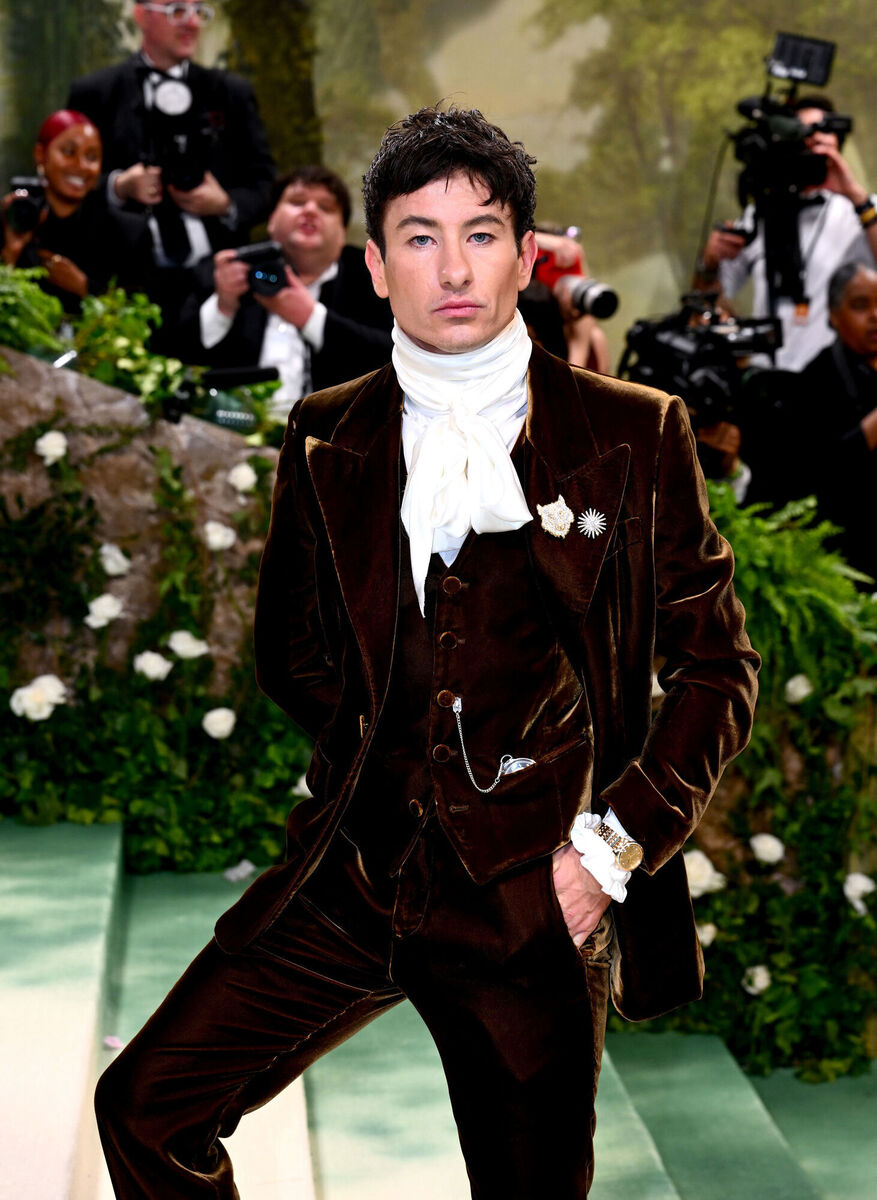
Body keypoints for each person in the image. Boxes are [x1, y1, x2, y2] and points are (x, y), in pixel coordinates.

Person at [95, 106, 760, 1199]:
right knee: (145, 1109)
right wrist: (385, 769)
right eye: (418, 235)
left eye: (482, 232)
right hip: (354, 876)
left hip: (532, 904)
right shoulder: (324, 431)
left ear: (525, 253)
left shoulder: (632, 433)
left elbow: (713, 670)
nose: (452, 266)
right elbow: (293, 655)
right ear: (374, 262)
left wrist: (600, 858)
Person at [66, 0, 274, 340]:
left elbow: (264, 184)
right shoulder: (96, 93)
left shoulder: (231, 94)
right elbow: (66, 185)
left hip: (218, 283)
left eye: (199, 12)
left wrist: (224, 204)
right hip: (123, 282)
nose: (191, 22)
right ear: (141, 13)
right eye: (176, 10)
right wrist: (119, 186)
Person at [188, 165, 393, 420]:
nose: (309, 210)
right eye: (297, 202)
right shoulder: (224, 269)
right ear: (271, 220)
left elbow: (392, 359)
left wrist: (310, 318)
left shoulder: (374, 279)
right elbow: (178, 356)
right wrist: (224, 306)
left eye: (325, 208)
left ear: (342, 233)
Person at [698, 95, 877, 370]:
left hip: (834, 382)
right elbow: (710, 302)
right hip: (768, 381)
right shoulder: (760, 214)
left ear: (837, 140)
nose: (809, 141)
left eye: (820, 132)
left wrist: (854, 194)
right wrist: (709, 263)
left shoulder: (863, 210)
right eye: (799, 133)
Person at [1, 110, 150, 314]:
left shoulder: (128, 233)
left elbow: (141, 319)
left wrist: (85, 288)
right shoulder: (12, 220)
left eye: (92, 157)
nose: (81, 166)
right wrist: (11, 253)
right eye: (69, 152)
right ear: (40, 154)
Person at [796, 261, 877, 583]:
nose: (875, 315)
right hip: (850, 556)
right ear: (833, 314)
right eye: (861, 305)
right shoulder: (815, 380)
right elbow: (820, 477)